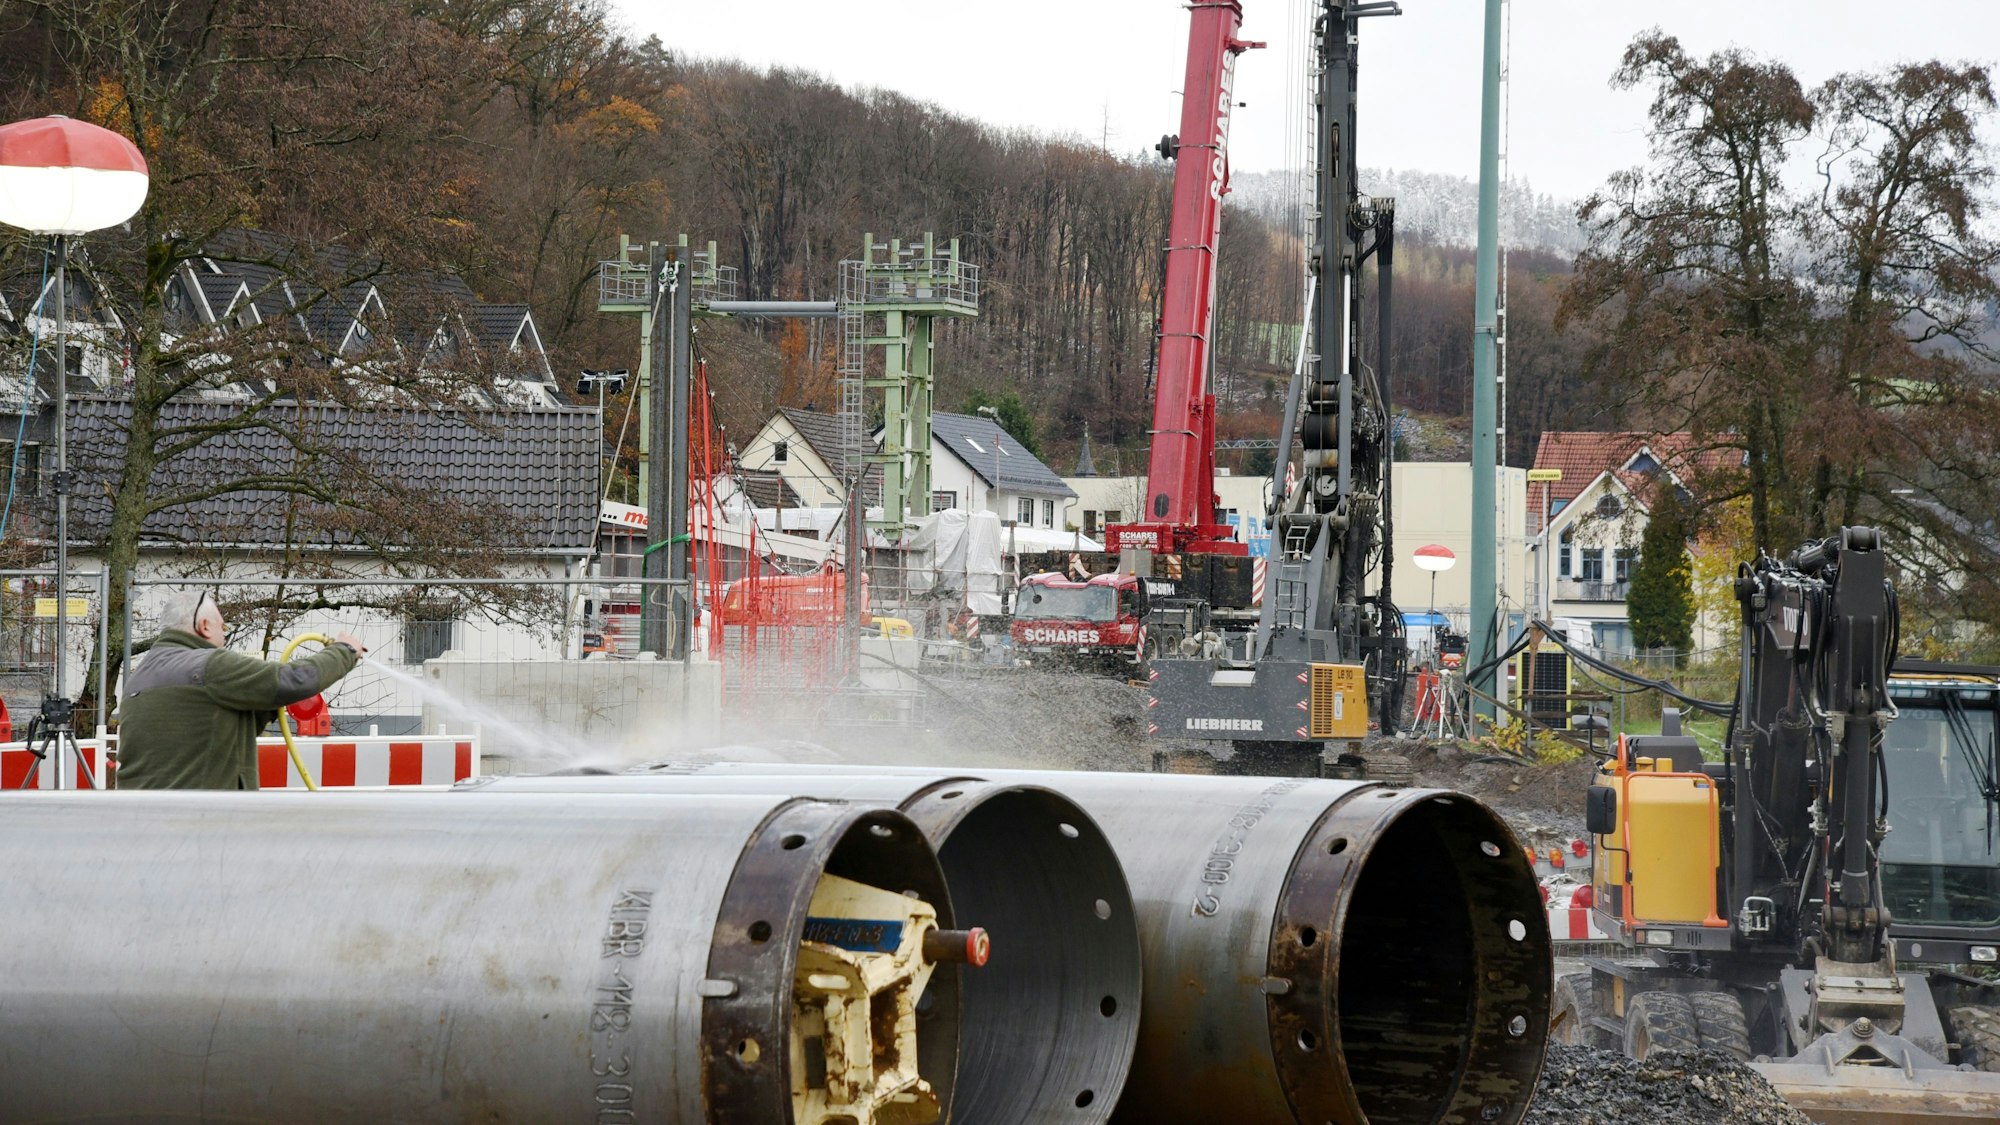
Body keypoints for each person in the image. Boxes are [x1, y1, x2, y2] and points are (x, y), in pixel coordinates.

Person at [117, 590, 367, 790]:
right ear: (204, 626)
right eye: (222, 629)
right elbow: (295, 680)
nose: (224, 639)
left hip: (143, 827)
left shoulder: (136, 680)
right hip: (202, 828)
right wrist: (344, 651)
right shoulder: (210, 665)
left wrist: (265, 704)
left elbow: (204, 732)